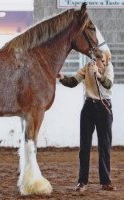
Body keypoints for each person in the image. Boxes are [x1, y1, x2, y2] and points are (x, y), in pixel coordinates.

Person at [57, 53, 116, 192]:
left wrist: (99, 75)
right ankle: (82, 182)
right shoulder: (88, 67)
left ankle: (105, 182)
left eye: (101, 60)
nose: (98, 62)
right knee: (84, 146)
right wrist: (62, 77)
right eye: (96, 59)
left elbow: (108, 84)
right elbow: (73, 81)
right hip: (88, 107)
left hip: (104, 107)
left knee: (104, 146)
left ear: (108, 60)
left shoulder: (109, 68)